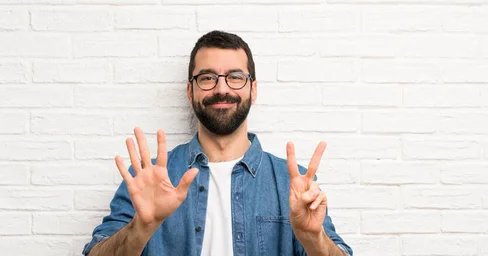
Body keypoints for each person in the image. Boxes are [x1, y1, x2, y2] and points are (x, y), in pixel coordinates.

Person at [82, 30, 353, 256]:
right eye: (208, 78)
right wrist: (140, 227)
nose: (222, 89)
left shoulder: (291, 183)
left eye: (235, 77)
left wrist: (313, 239)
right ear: (191, 91)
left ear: (253, 89)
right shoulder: (146, 179)